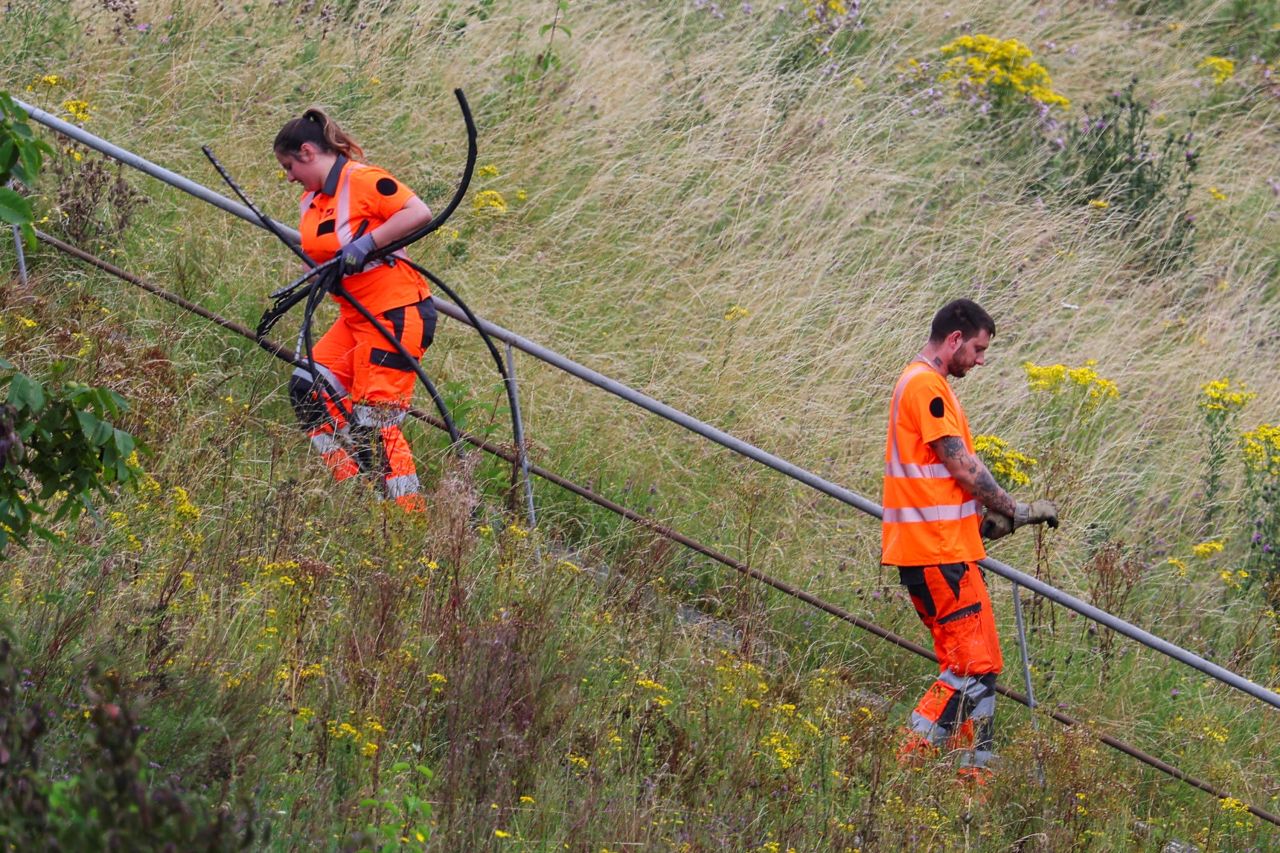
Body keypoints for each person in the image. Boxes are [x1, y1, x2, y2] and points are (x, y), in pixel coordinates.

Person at [881, 298, 1058, 778]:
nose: (981, 360)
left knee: (983, 664)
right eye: (978, 349)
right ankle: (905, 765)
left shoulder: (926, 386)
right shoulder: (925, 386)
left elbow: (935, 487)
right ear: (955, 339)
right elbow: (960, 465)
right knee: (967, 667)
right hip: (936, 554)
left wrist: (988, 523)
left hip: (946, 550)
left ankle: (972, 772)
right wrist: (1013, 508)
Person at [274, 109, 437, 513]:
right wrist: (317, 275)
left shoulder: (362, 180)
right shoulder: (310, 201)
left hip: (396, 315)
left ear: (308, 152)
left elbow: (419, 213)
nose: (289, 176)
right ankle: (358, 495)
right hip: (354, 318)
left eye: (289, 166)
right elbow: (322, 252)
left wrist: (365, 246)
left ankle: (406, 519)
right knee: (306, 392)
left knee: (374, 426)